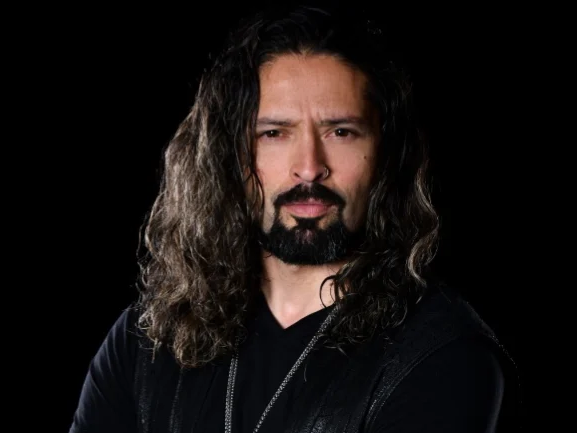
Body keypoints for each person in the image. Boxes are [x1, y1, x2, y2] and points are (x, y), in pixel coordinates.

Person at [69, 4, 518, 432]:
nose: (308, 167)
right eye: (274, 133)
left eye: (340, 132)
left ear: (385, 154)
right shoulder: (146, 339)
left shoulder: (444, 356)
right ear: (229, 155)